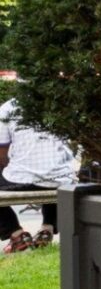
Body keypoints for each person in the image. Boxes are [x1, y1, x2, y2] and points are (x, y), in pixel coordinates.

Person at [0, 98, 78, 253]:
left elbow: (2, 152)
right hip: (63, 179)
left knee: (41, 174)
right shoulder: (63, 104)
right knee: (54, 174)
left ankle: (15, 234)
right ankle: (47, 229)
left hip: (22, 181)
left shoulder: (8, 108)